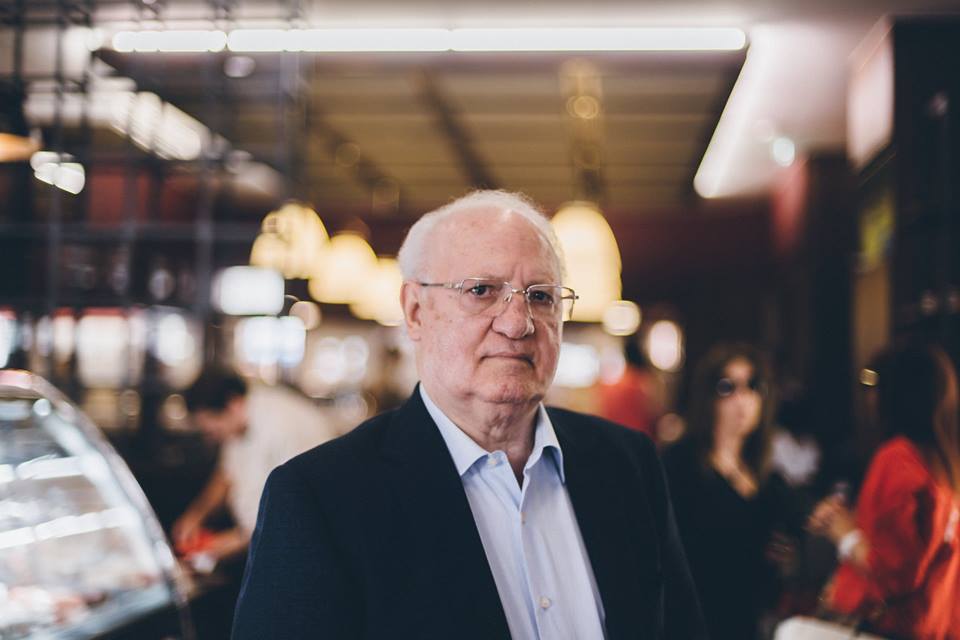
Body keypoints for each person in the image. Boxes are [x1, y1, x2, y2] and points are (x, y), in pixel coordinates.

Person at [232, 190, 707, 639]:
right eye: (481, 290)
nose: (518, 323)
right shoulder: (321, 498)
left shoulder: (628, 462)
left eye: (540, 296)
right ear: (415, 311)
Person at [807, 343, 960, 640]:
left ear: (897, 393)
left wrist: (845, 533)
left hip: (895, 628)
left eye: (873, 381)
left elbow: (895, 573)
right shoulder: (945, 465)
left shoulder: (897, 459)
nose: (869, 395)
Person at [663, 343, 808, 639]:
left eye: (753, 386)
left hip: (747, 623)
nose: (743, 399)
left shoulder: (769, 479)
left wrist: (786, 556)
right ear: (707, 397)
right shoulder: (679, 465)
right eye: (728, 387)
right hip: (692, 623)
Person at [172, 368, 339, 565]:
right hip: (259, 540)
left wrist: (229, 544)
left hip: (302, 547)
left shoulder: (281, 426)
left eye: (211, 429)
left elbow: (292, 510)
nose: (210, 437)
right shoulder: (237, 421)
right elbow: (226, 475)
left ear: (233, 404)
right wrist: (196, 515)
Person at [597, 338, 665, 439]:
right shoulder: (644, 383)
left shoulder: (615, 385)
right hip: (640, 438)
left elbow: (605, 413)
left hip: (618, 438)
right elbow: (655, 411)